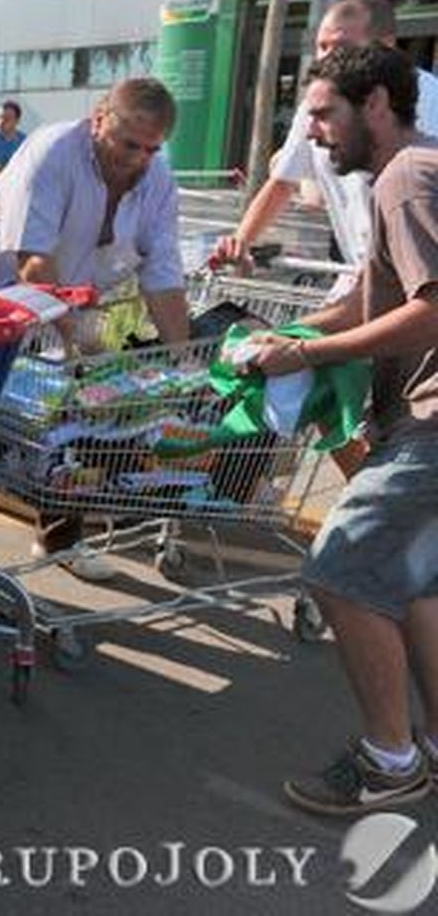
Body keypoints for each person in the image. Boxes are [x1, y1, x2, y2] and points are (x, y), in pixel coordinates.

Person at [243, 45, 438, 815]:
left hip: (431, 423)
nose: (315, 133)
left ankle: (389, 761)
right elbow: (371, 295)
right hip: (416, 419)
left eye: (324, 113)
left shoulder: (405, 177)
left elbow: (431, 306)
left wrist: (308, 351)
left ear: (378, 104)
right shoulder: (418, 167)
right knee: (416, 582)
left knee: (341, 567)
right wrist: (280, 336)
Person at [0, 78, 189, 590]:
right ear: (99, 118)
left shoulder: (157, 180)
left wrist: (183, 362)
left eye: (151, 148)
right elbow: (34, 261)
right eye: (128, 143)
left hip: (60, 308)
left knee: (69, 430)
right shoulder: (53, 151)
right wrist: (78, 340)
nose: (138, 158)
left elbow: (162, 273)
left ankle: (61, 539)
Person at [216, 0, 438, 295]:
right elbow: (284, 179)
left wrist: (301, 344)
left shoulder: (428, 112)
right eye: (321, 46)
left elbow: (423, 310)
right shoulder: (318, 100)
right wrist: (240, 241)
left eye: (340, 47)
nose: (327, 58)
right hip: (365, 277)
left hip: (411, 279)